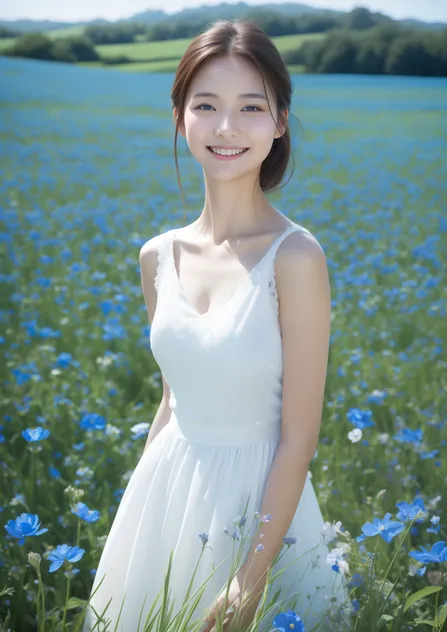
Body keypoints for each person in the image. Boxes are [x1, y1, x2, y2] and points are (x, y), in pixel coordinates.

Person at [82, 19, 349, 632]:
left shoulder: (296, 257)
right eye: (206, 105)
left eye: (250, 107)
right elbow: (173, 400)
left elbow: (299, 438)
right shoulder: (157, 257)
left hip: (259, 515)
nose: (227, 127)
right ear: (180, 117)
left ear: (279, 121)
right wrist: (138, 519)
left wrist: (246, 585)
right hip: (165, 496)